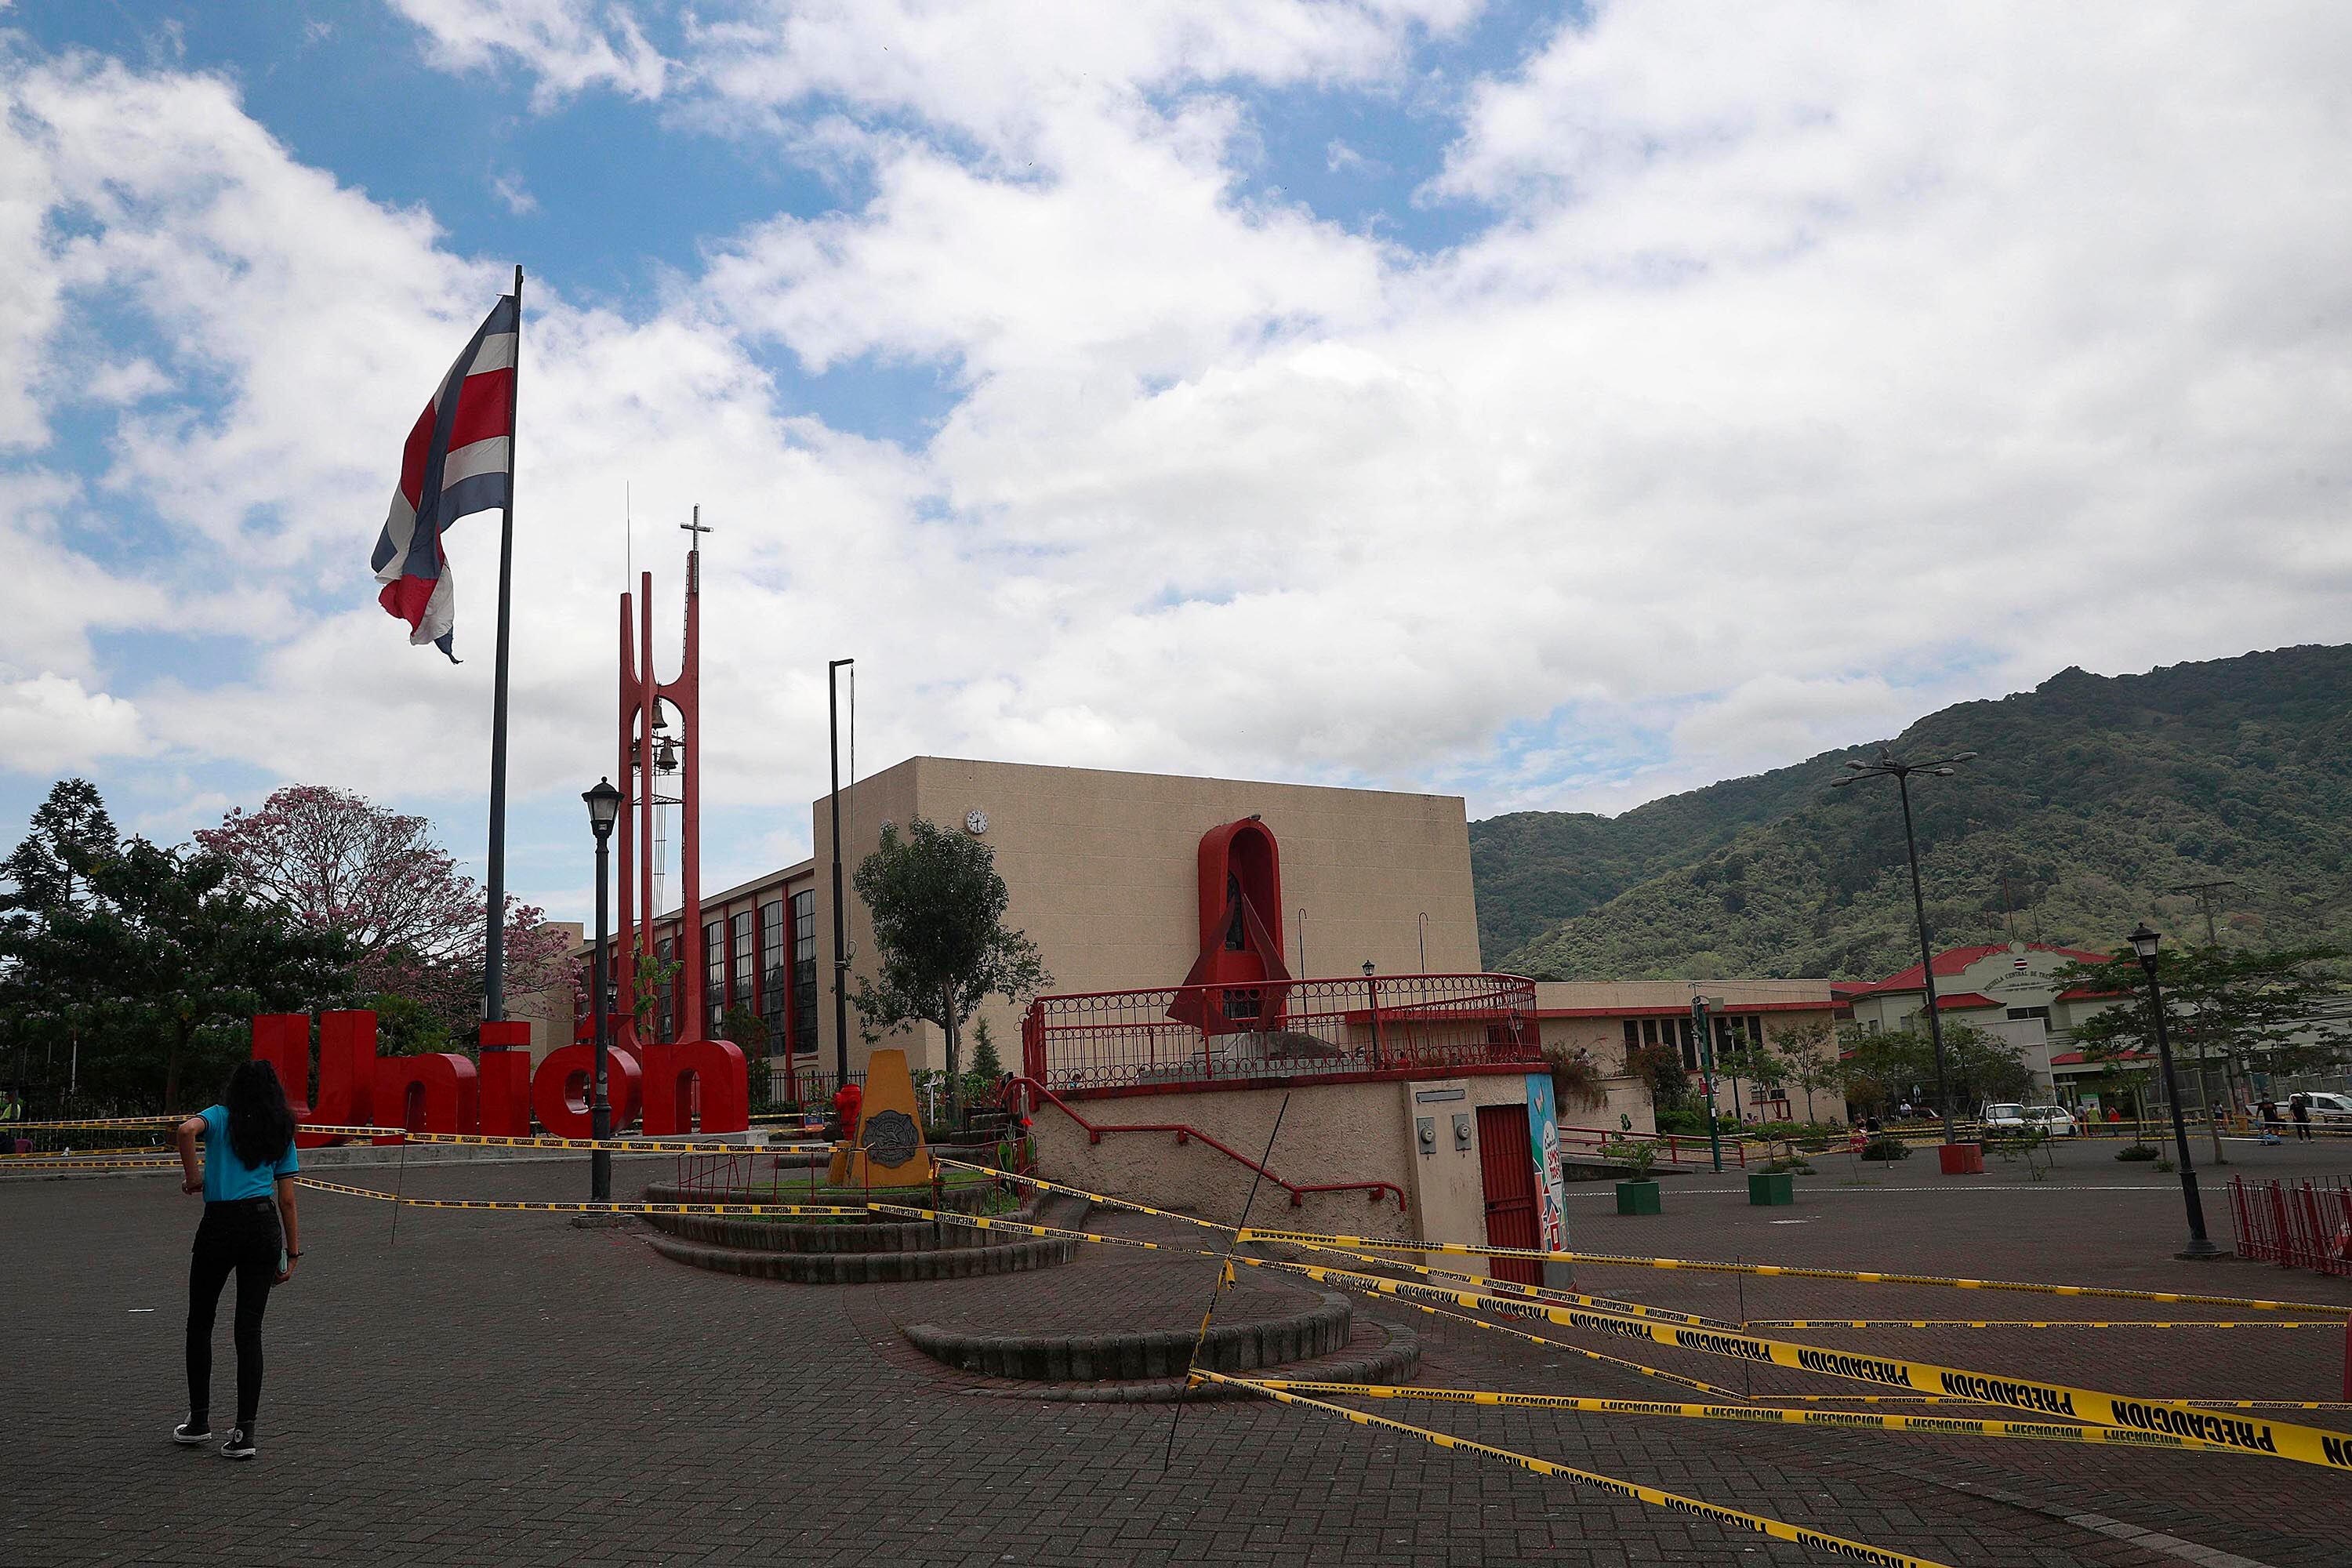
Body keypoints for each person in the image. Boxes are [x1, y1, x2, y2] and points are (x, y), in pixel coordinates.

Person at [172, 1060, 302, 1461]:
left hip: (219, 1225)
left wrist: (194, 1177)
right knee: (249, 1331)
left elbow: (185, 1130)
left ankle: (199, 1420)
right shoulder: (280, 1128)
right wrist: (292, 1252)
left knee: (200, 1322)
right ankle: (245, 1433)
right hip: (262, 1225)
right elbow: (287, 1199)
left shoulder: (219, 1116)